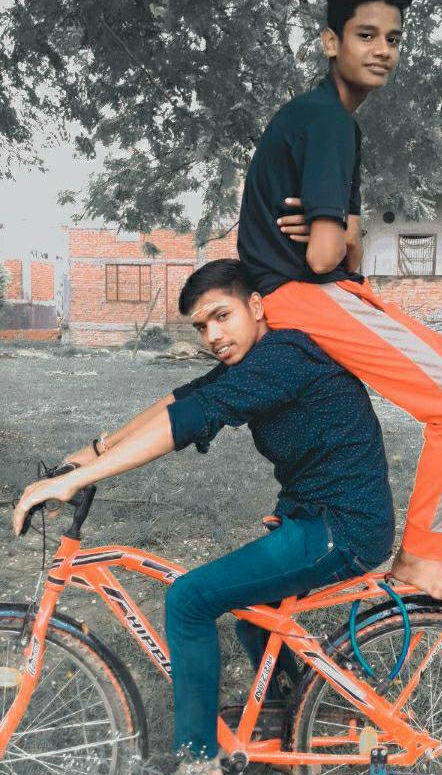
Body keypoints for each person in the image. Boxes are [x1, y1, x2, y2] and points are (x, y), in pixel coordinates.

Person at [13, 259, 397, 773]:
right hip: (319, 517)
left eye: (221, 316)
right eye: (201, 327)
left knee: (188, 599)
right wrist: (97, 449)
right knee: (253, 616)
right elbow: (182, 399)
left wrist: (77, 479)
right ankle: (289, 715)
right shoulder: (259, 357)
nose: (212, 335)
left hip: (340, 528)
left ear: (255, 306)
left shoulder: (283, 356)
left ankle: (199, 760)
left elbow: (189, 420)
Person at [237, 0, 442, 606]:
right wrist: (329, 237)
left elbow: (351, 245)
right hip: (297, 296)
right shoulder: (324, 120)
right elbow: (327, 254)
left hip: (321, 288)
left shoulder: (340, 124)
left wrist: (331, 234)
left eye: (393, 38)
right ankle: (419, 556)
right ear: (330, 41)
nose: (383, 50)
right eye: (366, 35)